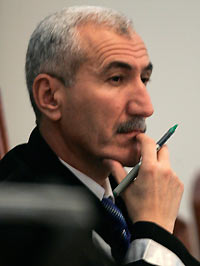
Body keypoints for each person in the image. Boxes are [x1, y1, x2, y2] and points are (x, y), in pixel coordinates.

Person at [0, 6, 199, 266]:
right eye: (116, 79)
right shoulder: (22, 216)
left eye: (144, 79)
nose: (146, 107)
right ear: (50, 97)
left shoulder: (120, 198)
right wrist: (154, 233)